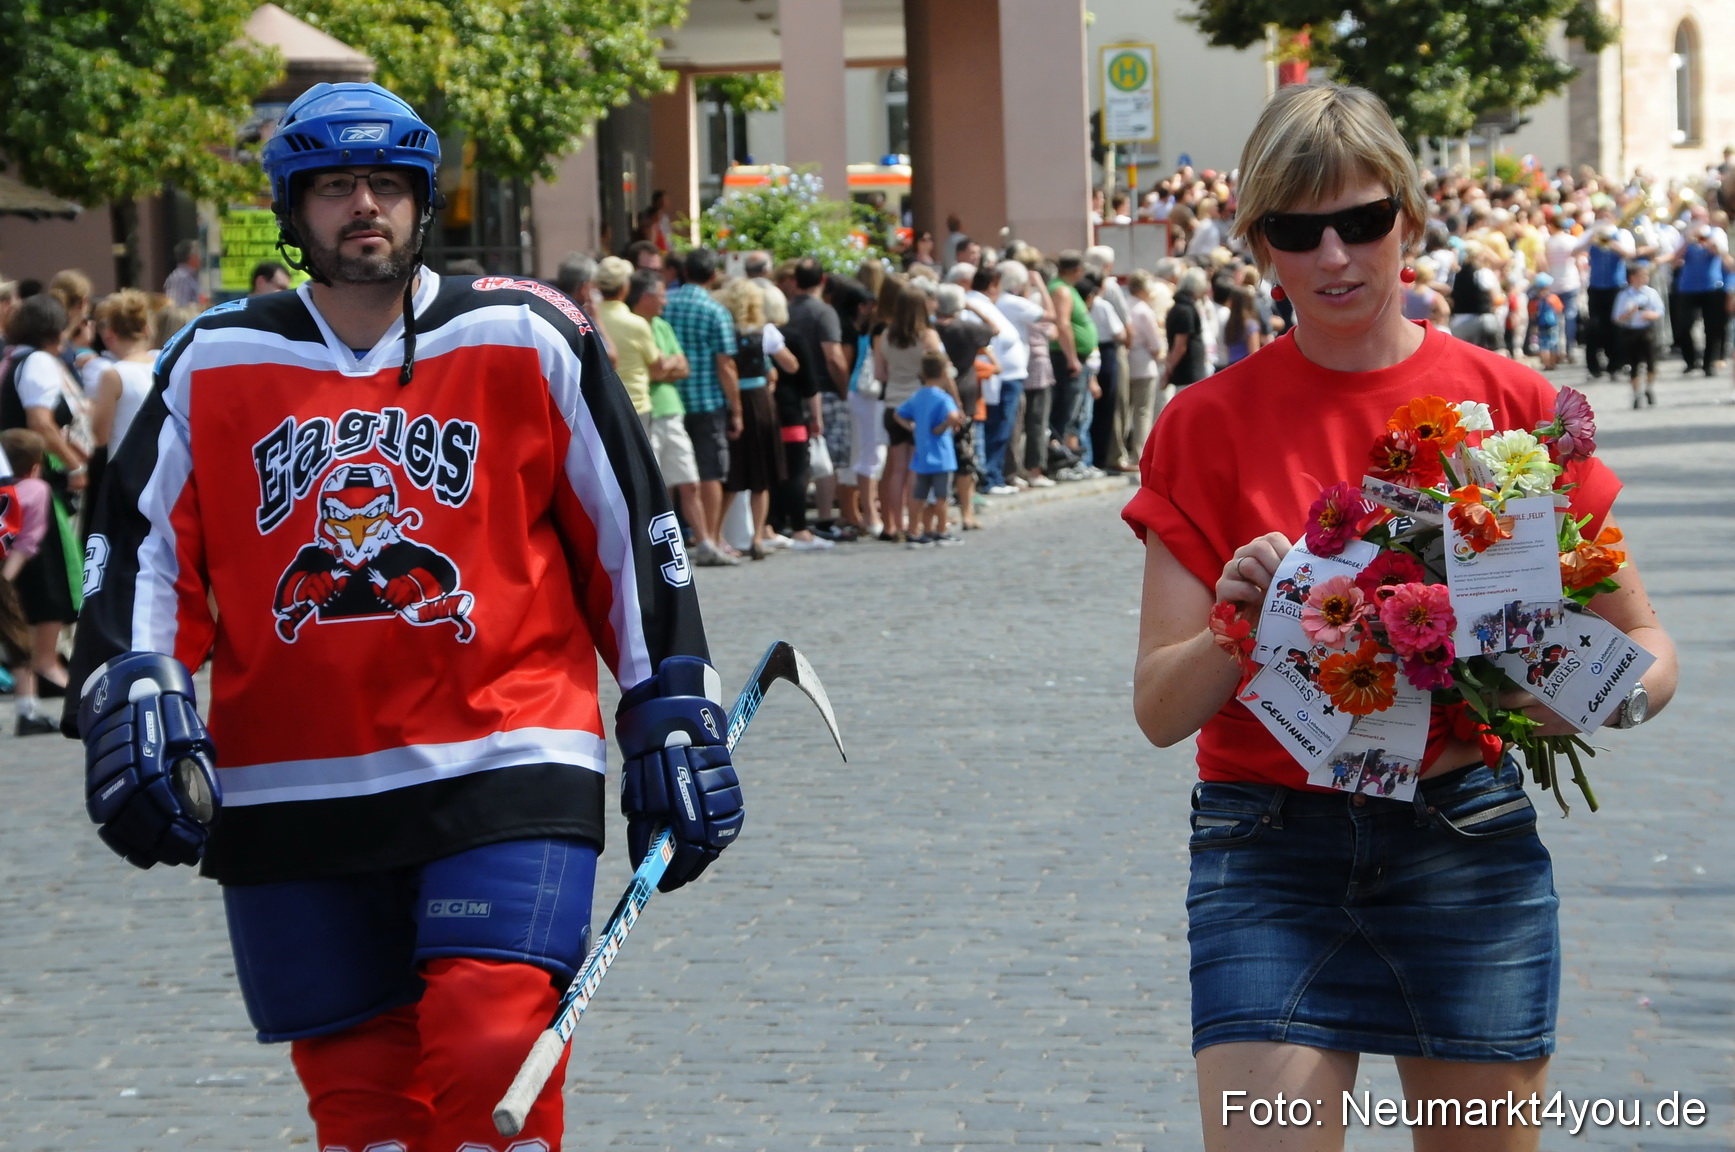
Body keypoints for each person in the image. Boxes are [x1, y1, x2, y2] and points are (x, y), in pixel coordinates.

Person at [63, 81, 743, 1152]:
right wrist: (135, 677)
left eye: (387, 183)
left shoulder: (526, 330)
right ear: (292, 211)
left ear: (426, 202)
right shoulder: (215, 356)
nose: (363, 206)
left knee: (489, 1038)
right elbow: (141, 548)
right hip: (291, 777)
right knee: (365, 1109)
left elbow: (630, 529)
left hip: (506, 750)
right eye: (333, 187)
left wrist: (669, 698)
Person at [1125, 82, 1677, 1152]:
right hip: (1269, 850)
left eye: (1362, 220)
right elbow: (1157, 708)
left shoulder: (1507, 405)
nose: (1334, 256)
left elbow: (1647, 650)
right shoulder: (1202, 425)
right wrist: (1239, 623)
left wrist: (1582, 700)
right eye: (1297, 230)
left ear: (1410, 220)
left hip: (1461, 838)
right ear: (1259, 246)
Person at [0, 293, 90, 699]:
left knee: (38, 572)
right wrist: (75, 465)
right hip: (37, 480)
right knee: (55, 572)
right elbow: (42, 422)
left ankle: (41, 665)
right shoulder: (37, 362)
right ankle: (46, 662)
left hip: (16, 479)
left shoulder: (12, 358)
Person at [628, 269, 722, 566]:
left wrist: (663, 365)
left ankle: (705, 542)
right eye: (661, 295)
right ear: (645, 297)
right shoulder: (634, 325)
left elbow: (683, 366)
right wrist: (665, 366)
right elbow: (662, 369)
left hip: (671, 409)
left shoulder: (662, 326)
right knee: (658, 487)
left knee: (689, 481)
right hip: (647, 410)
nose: (665, 301)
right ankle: (660, 551)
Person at [664, 248, 744, 556]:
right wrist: (736, 409)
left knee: (672, 472)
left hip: (671, 399)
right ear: (712, 276)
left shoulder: (665, 304)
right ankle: (709, 537)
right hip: (708, 400)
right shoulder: (715, 311)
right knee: (710, 472)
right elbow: (725, 365)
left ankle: (673, 540)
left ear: (684, 273)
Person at [717, 276, 793, 559]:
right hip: (760, 401)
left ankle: (717, 534)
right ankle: (758, 538)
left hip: (733, 399)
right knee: (761, 476)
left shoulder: (725, 329)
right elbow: (790, 365)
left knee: (733, 473)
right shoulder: (765, 332)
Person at [873, 278, 944, 540]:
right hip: (920, 403)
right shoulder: (927, 336)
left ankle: (892, 524)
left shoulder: (885, 337)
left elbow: (880, 374)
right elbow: (939, 370)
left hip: (893, 403)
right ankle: (913, 522)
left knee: (897, 467)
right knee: (916, 466)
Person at [0, 428, 55, 734]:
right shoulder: (36, 489)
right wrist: (6, 581)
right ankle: (27, 710)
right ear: (35, 465)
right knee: (19, 641)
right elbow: (26, 542)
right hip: (3, 567)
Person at [982, 260, 1048, 494]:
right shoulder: (1008, 302)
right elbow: (1050, 314)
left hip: (1008, 375)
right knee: (1005, 426)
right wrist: (1037, 285)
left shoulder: (998, 303)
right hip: (1006, 376)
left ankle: (1000, 474)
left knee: (1008, 426)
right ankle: (996, 475)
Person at [892, 351, 962, 545]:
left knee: (918, 495)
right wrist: (943, 427)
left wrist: (911, 426)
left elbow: (898, 414)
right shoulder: (943, 398)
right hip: (941, 454)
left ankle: (914, 531)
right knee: (942, 496)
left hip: (921, 454)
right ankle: (941, 530)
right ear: (944, 372)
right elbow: (954, 417)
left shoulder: (917, 396)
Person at [1613, 261, 1664, 407]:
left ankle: (1649, 388)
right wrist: (1630, 313)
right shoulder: (1624, 295)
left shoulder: (1651, 293)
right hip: (1630, 330)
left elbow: (1660, 311)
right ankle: (1636, 394)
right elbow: (1616, 318)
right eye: (1642, 275)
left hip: (1646, 329)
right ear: (1632, 277)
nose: (1645, 278)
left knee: (1651, 363)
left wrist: (1650, 314)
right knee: (1633, 365)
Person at [1164, 266, 1210, 389]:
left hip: (1188, 375)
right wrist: (1168, 371)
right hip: (1188, 376)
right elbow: (1180, 346)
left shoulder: (1182, 308)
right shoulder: (1185, 310)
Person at [163, 239, 206, 307]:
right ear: (192, 257)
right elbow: (176, 308)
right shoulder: (180, 278)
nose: (202, 259)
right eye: (199, 255)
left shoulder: (193, 277)